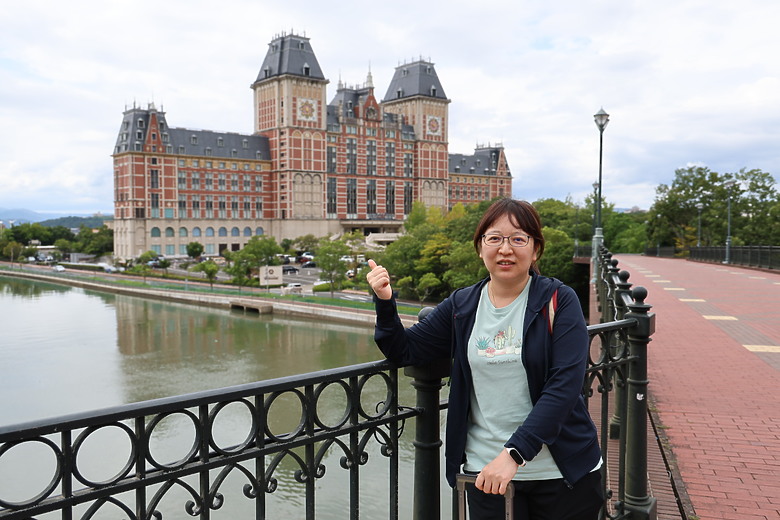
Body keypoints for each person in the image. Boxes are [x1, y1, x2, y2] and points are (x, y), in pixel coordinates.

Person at [366, 198, 603, 519]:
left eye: (518, 239)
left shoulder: (559, 300)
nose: (505, 249)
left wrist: (514, 454)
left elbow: (564, 386)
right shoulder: (463, 304)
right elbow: (405, 351)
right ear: (480, 248)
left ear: (535, 250)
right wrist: (385, 301)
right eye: (494, 239)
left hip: (560, 474)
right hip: (487, 475)